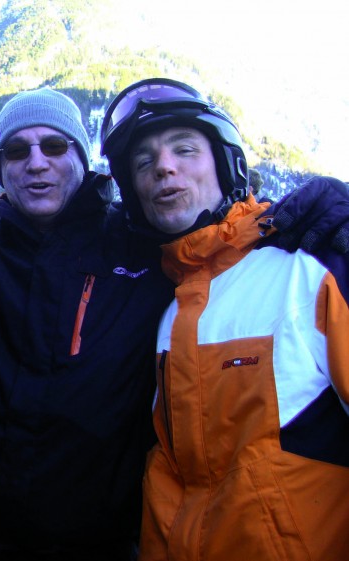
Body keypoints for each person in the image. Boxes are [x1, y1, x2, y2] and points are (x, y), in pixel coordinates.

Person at [0, 86, 349, 560]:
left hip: (101, 544)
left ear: (82, 160)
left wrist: (323, 209)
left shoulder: (142, 247)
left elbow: (221, 232)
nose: (36, 163)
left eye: (54, 146)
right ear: (0, 171)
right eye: (16, 151)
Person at [101, 77, 349, 560]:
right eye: (143, 162)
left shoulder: (309, 267)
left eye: (185, 149)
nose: (163, 167)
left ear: (226, 163)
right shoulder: (167, 307)